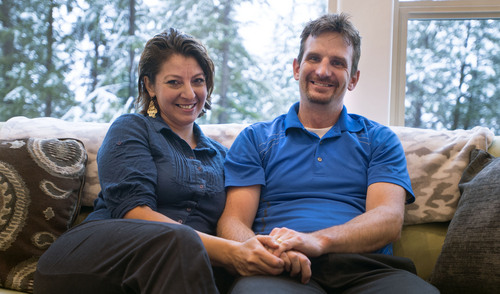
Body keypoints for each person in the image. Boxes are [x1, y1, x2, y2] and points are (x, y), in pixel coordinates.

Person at [34, 28, 287, 294]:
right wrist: (232, 252)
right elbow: (135, 213)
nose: (189, 94)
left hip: (182, 273)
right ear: (150, 85)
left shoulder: (223, 156)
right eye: (174, 82)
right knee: (180, 240)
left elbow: (235, 224)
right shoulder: (132, 128)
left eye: (198, 81)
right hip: (92, 258)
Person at [217, 13, 440, 293]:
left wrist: (317, 241)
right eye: (314, 58)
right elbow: (233, 221)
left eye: (337, 62)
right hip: (281, 269)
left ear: (353, 78)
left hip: (367, 270)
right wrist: (265, 252)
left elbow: (388, 220)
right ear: (297, 68)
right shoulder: (256, 138)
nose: (323, 71)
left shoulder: (379, 140)